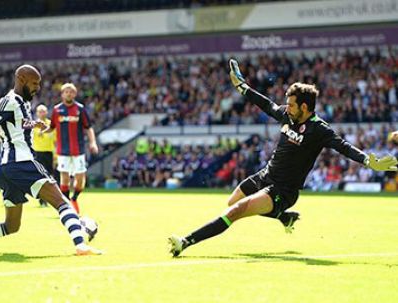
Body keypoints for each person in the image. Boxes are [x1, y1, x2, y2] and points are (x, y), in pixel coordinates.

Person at [168, 59, 398, 257]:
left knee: (236, 210)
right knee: (232, 201)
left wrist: (369, 161)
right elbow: (266, 104)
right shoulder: (288, 116)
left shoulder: (319, 130)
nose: (286, 108)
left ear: (305, 107)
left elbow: (344, 147)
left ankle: (185, 242)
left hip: (283, 190)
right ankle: (282, 217)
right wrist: (243, 87)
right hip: (265, 175)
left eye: (291, 104)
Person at [0, 64, 101, 256]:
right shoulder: (8, 101)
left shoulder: (23, 102)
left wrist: (32, 124)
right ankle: (80, 245)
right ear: (21, 80)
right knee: (62, 202)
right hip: (22, 162)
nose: (38, 87)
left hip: (6, 169)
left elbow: (14, 122)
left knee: (11, 226)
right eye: (34, 83)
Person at [47, 83, 99, 214]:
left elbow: (88, 127)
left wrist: (93, 143)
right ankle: (66, 205)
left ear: (75, 94)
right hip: (63, 151)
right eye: (66, 92)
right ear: (62, 94)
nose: (68, 94)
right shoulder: (57, 110)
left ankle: (74, 198)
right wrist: (41, 129)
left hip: (78, 150)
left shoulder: (80, 109)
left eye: (71, 92)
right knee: (64, 177)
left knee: (80, 178)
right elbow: (51, 127)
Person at [32, 104, 56, 207]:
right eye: (40, 111)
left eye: (44, 111)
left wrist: (56, 155)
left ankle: (48, 198)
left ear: (47, 112)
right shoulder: (33, 125)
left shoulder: (51, 125)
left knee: (50, 177)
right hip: (38, 153)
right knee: (40, 177)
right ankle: (42, 199)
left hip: (49, 153)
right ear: (37, 113)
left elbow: (56, 140)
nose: (42, 113)